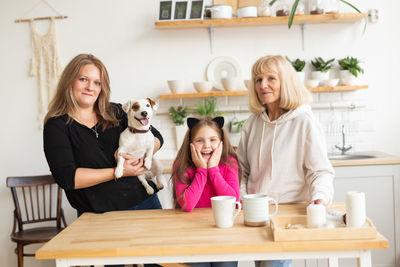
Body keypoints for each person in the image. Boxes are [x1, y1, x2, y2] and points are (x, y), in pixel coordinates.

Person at [237, 55, 335, 267]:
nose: (263, 85)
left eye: (271, 78)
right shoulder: (253, 123)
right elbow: (242, 170)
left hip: (288, 215)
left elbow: (320, 171)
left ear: (286, 82)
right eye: (258, 79)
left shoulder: (304, 121)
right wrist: (245, 199)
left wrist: (321, 197)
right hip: (256, 213)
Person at [43, 53, 164, 216]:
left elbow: (156, 137)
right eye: (83, 79)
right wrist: (119, 170)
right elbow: (67, 178)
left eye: (97, 82)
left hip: (145, 202)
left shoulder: (116, 111)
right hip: (98, 214)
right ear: (69, 81)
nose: (90, 87)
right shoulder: (56, 126)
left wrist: (141, 158)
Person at [171, 116, 240, 267]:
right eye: (199, 140)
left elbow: (233, 200)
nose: (206, 146)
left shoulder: (229, 162)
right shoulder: (182, 165)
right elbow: (188, 205)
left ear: (221, 142)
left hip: (223, 232)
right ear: (191, 144)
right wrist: (202, 170)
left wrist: (213, 169)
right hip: (192, 234)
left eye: (213, 140)